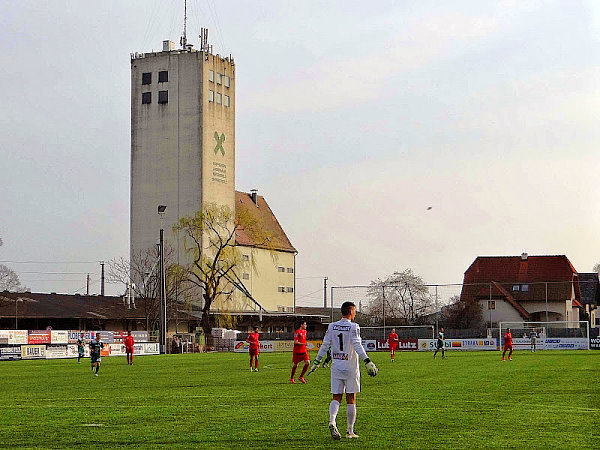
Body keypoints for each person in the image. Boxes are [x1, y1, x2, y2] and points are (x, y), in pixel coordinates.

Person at [307, 301, 378, 440]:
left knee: (336, 397)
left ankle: (332, 421)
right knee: (351, 398)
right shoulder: (354, 327)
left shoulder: (332, 326)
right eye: (355, 311)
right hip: (350, 368)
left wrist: (317, 361)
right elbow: (357, 344)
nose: (355, 314)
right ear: (351, 312)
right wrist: (367, 360)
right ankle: (350, 431)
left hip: (336, 367)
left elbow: (325, 344)